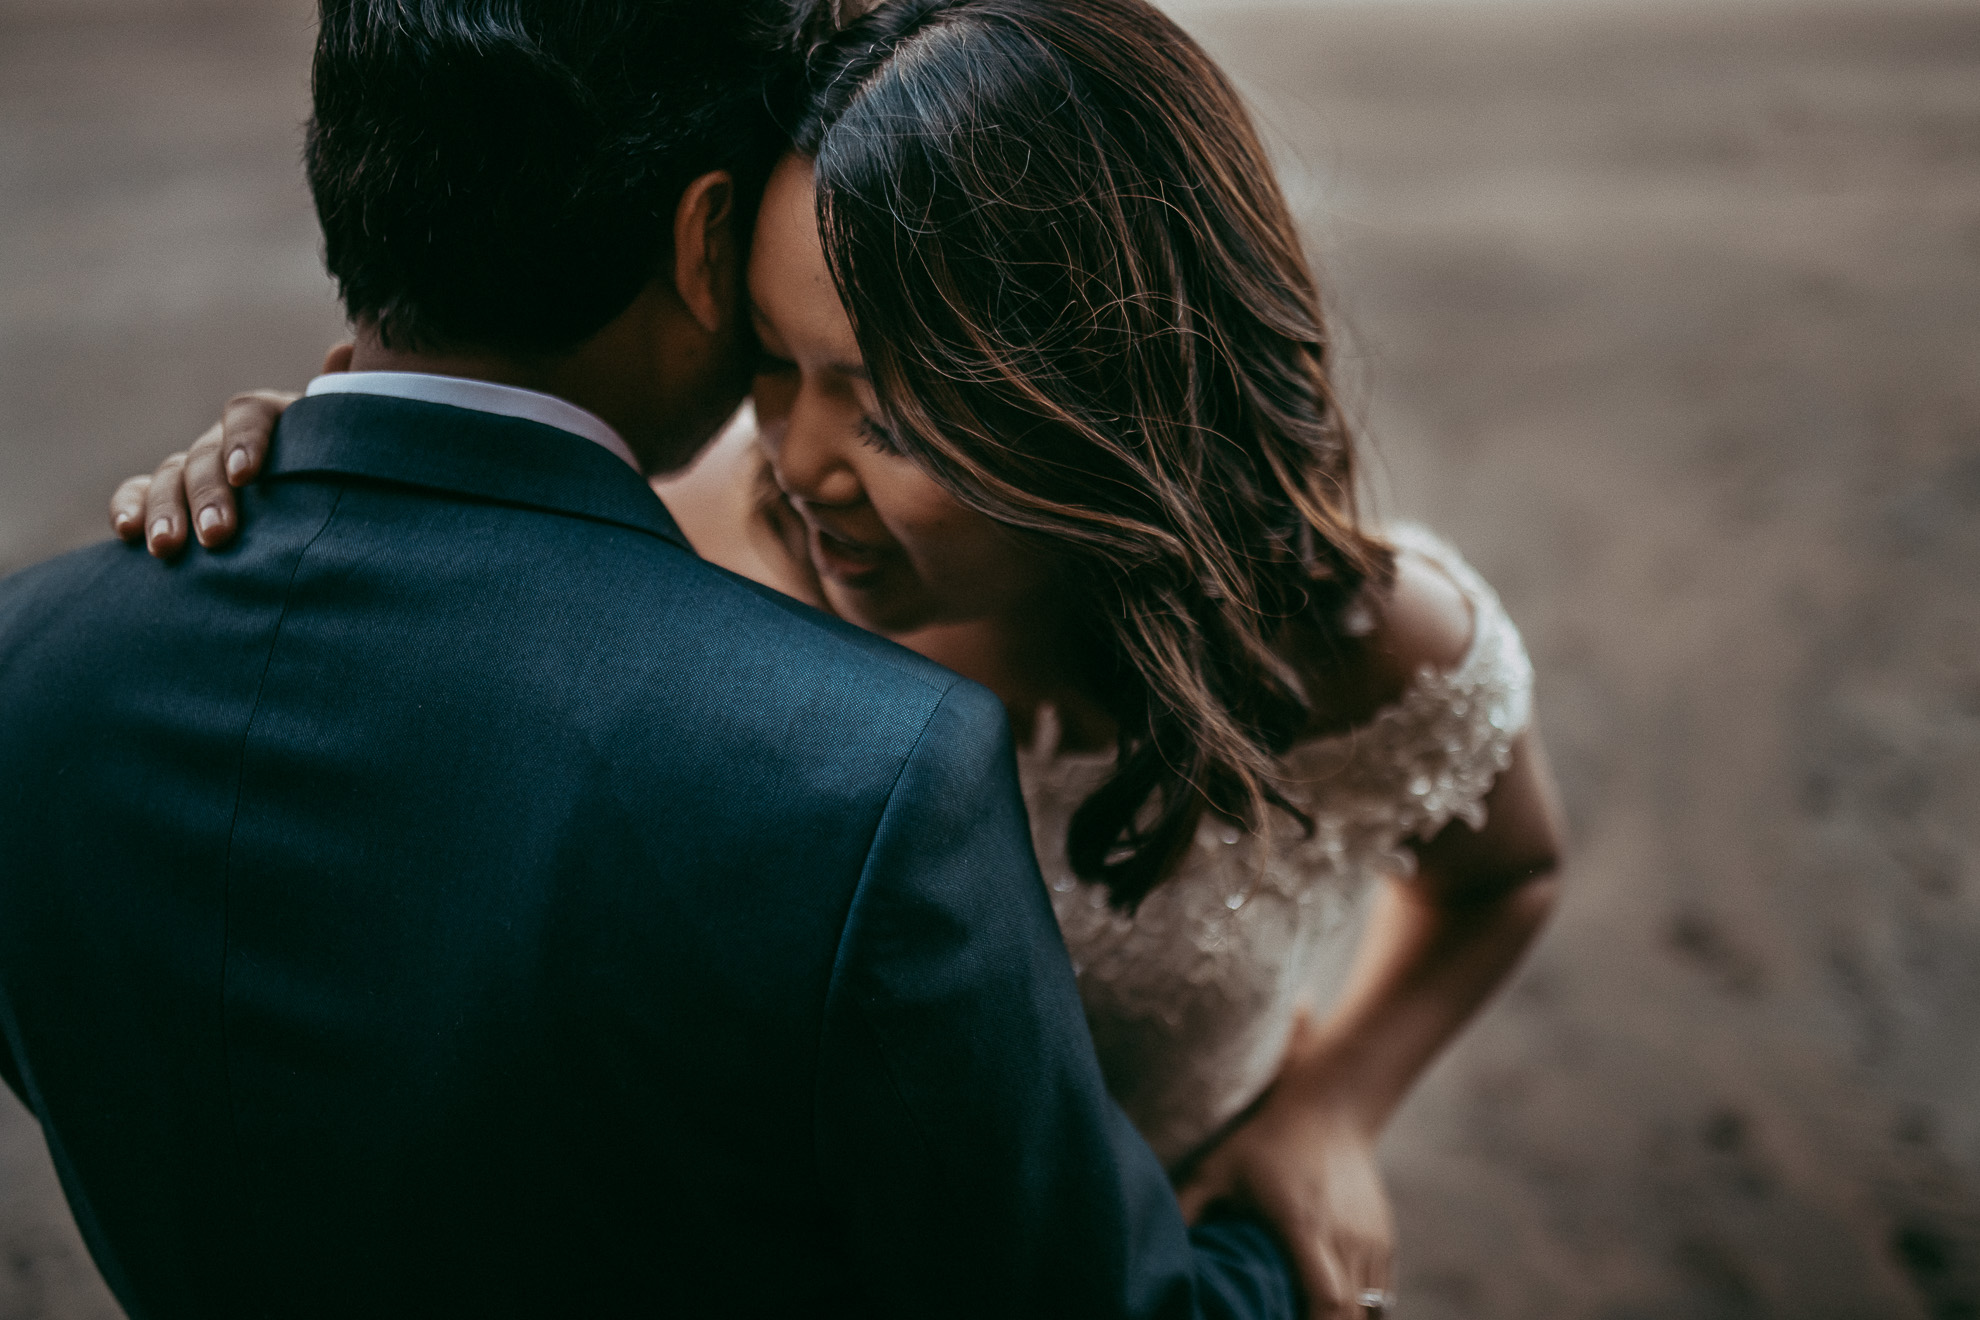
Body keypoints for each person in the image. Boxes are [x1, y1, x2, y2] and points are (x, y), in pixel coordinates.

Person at [124, 0, 1571, 1313]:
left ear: (1110, 398)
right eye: (772, 362)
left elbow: (1506, 874)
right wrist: (307, 454)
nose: (802, 461)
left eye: (887, 411)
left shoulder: (1348, 645)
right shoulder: (680, 553)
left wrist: (1329, 1106)